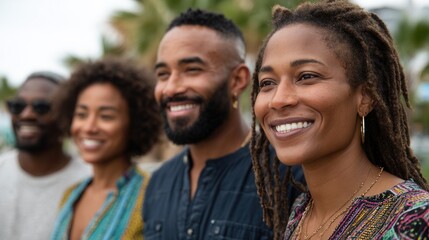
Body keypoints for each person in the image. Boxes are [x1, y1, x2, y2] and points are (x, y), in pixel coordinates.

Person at [251, 1, 429, 239]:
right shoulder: (301, 211)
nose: (278, 100)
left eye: (306, 76)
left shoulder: (417, 219)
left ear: (365, 97)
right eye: (267, 83)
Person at [143, 8, 303, 240]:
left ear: (237, 80)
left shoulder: (288, 174)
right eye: (163, 74)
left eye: (192, 70)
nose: (171, 87)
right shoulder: (158, 184)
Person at [50, 58, 161, 240]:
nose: (89, 127)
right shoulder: (71, 196)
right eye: (81, 114)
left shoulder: (152, 197)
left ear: (135, 124)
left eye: (106, 116)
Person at [0, 72, 90, 240]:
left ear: (67, 118)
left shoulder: (89, 183)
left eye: (42, 107)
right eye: (17, 106)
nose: (27, 115)